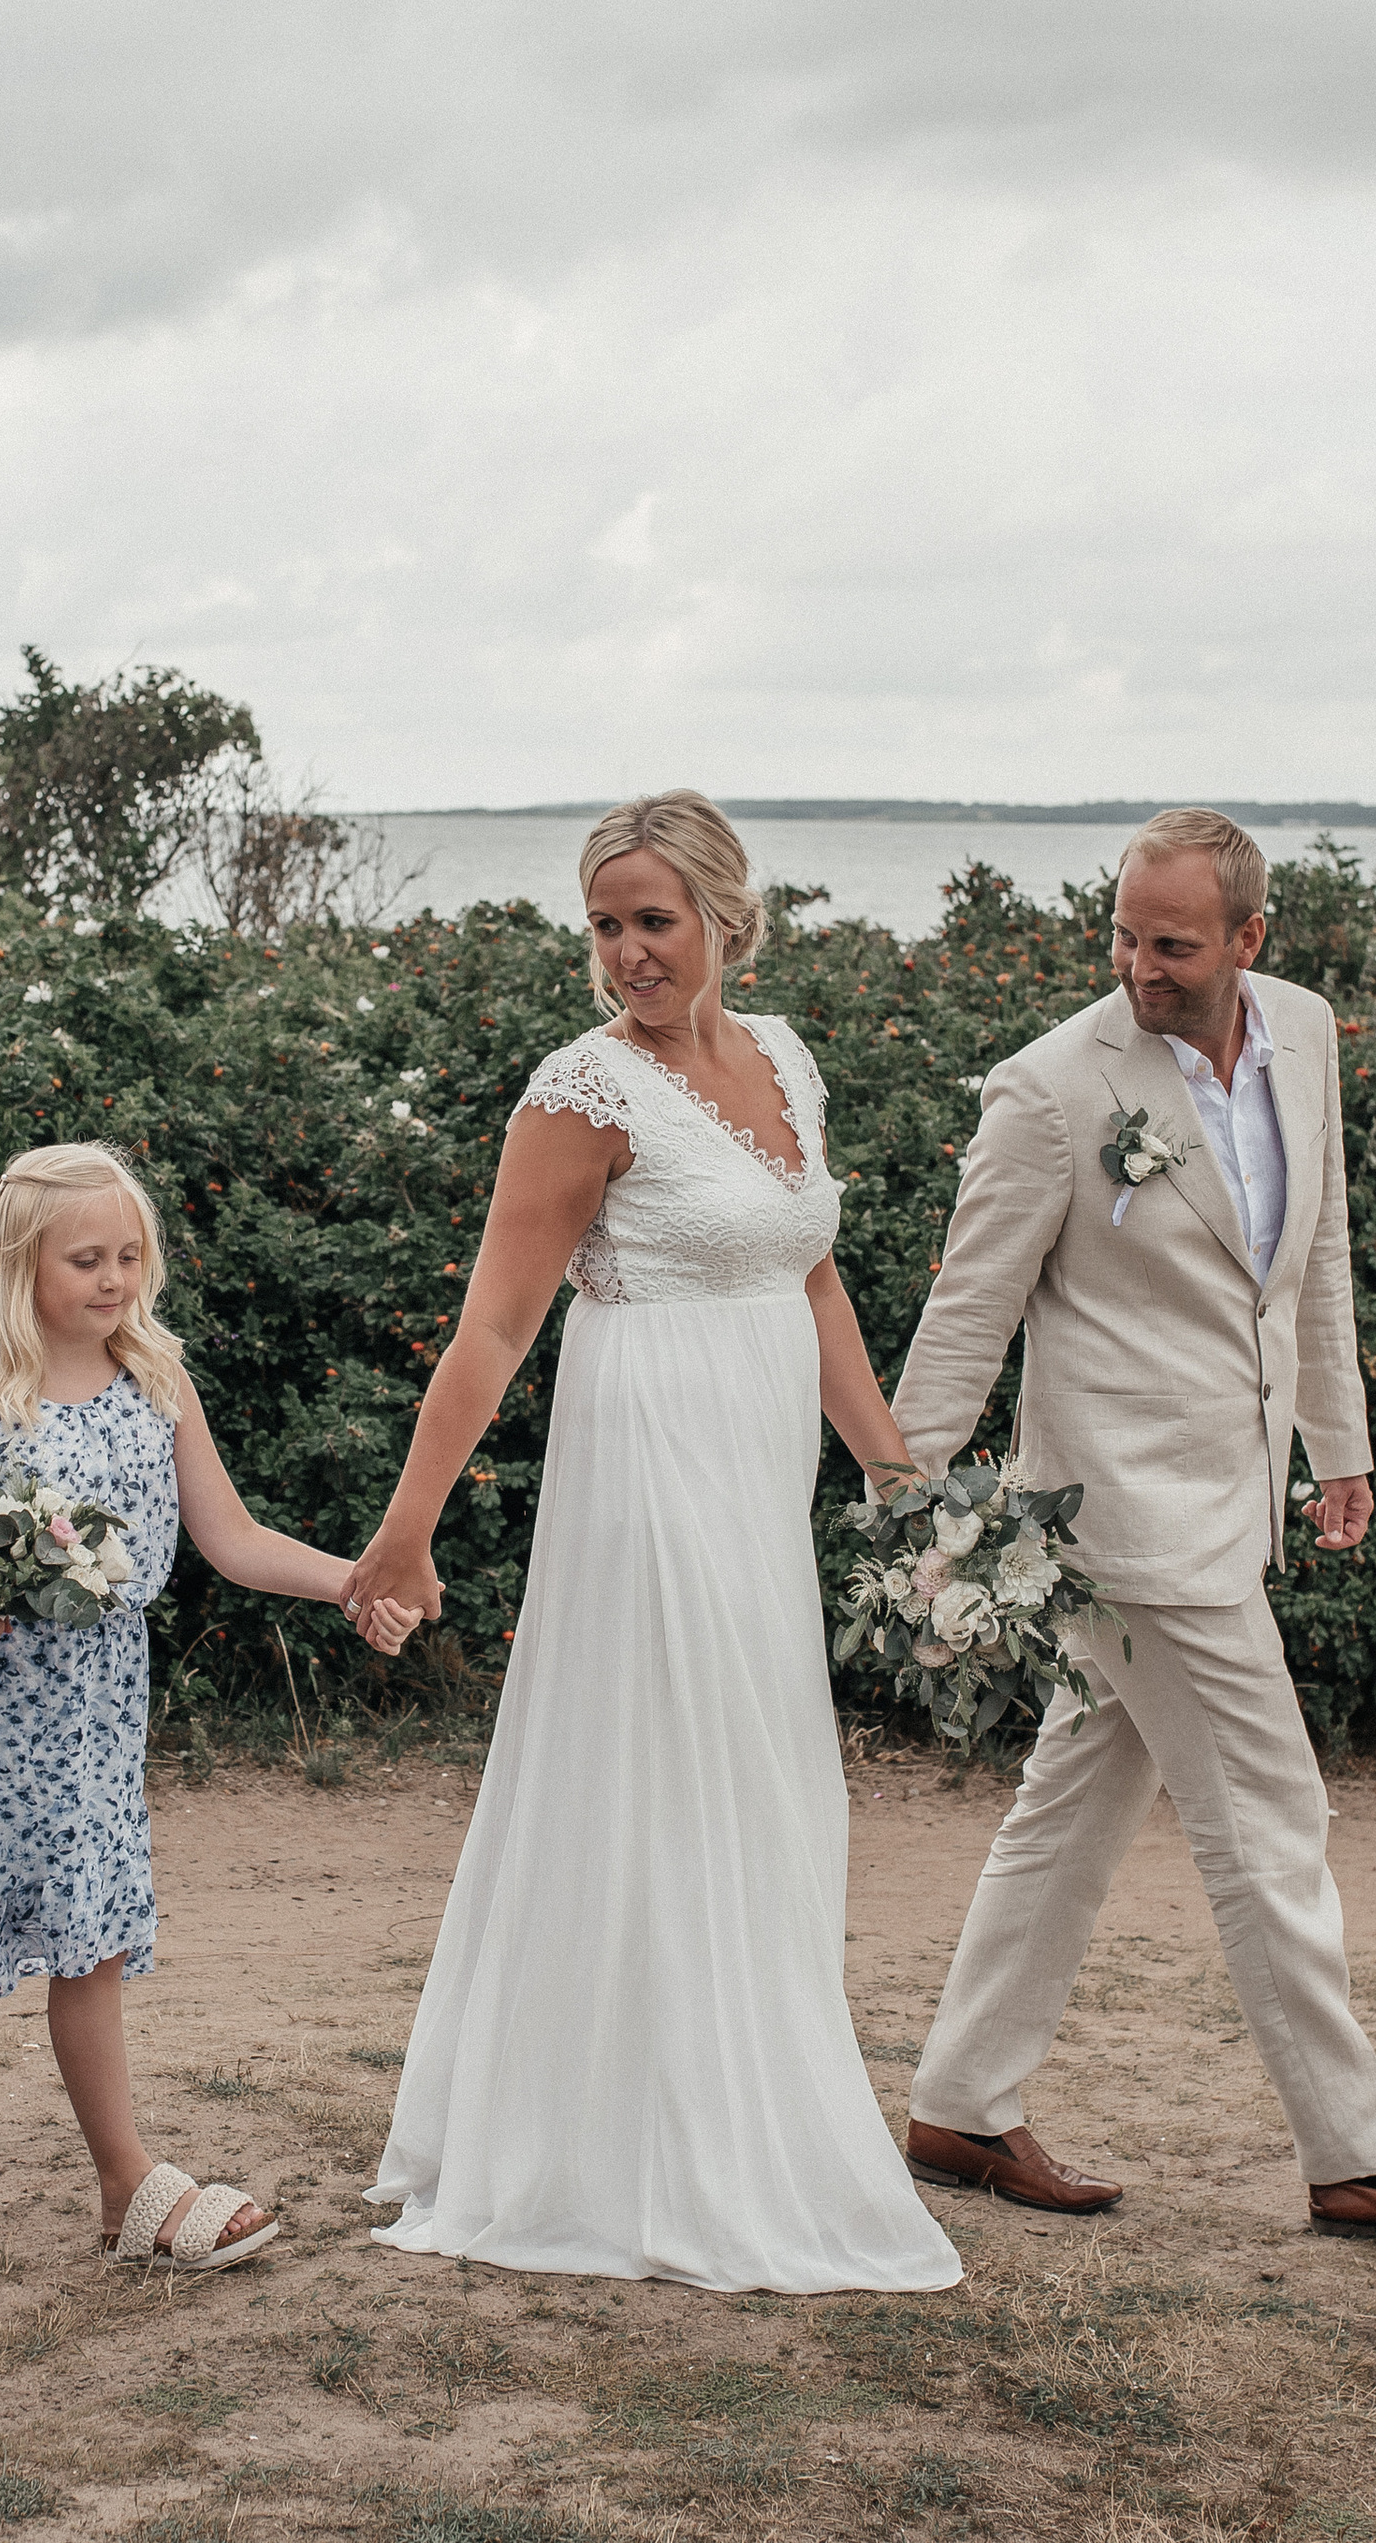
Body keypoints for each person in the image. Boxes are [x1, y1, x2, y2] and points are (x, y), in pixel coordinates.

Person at [889, 809, 1376, 2245]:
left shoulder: (1304, 1032)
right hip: (1117, 1517)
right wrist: (904, 1497)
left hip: (1230, 1489)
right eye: (1123, 934)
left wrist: (1337, 1441)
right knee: (1270, 1814)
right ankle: (1358, 2152)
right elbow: (970, 1308)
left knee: (1076, 1803)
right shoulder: (1052, 1090)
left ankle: (959, 2101)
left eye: (1172, 944)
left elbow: (1311, 1256)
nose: (1138, 966)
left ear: (1250, 939)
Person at [343, 792, 962, 2294]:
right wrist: (404, 1534)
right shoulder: (581, 1093)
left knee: (768, 1778)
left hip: (759, 1473)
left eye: (654, 921)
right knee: (679, 1771)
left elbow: (813, 1282)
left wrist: (894, 1485)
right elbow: (495, 1324)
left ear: (727, 923)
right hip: (648, 1460)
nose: (627, 951)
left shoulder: (783, 1058)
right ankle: (643, 2149)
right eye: (606, 924)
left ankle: (735, 2108)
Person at [0, 1142, 420, 2270]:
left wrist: (353, 1581)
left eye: (130, 1255)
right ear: (19, 1264)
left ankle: (124, 2183)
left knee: (84, 1938)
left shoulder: (159, 1379)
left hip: (96, 1711)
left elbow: (231, 1538)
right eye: (86, 1259)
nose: (113, 1280)